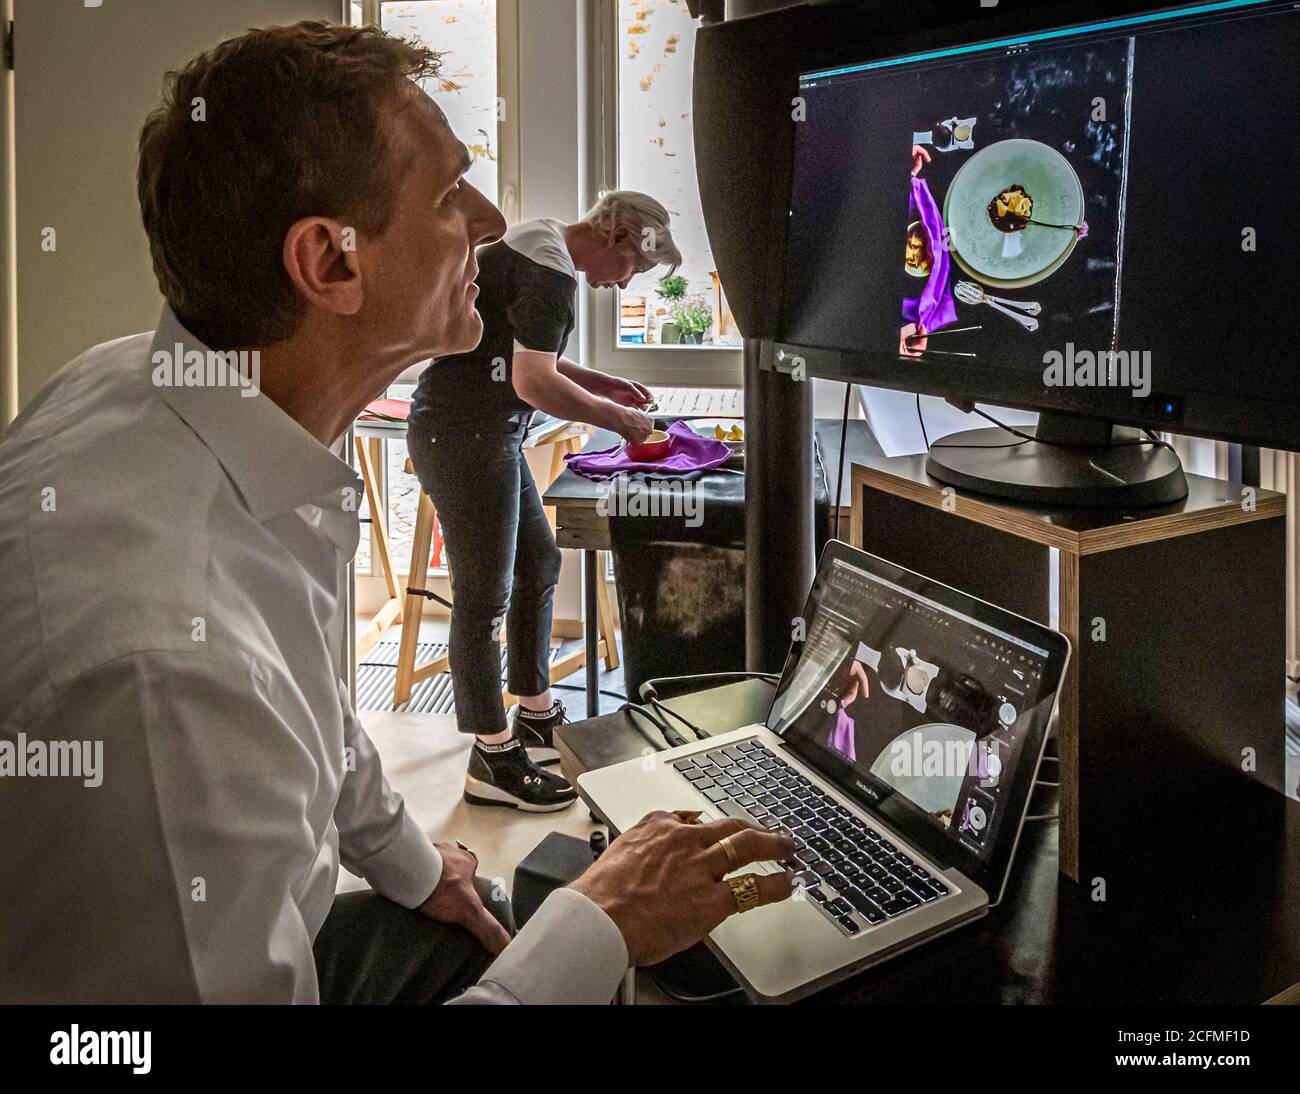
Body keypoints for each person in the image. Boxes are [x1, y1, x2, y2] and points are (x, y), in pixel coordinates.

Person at [0, 21, 795, 1004]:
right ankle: (501, 749)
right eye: (448, 190)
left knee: (505, 907)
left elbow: (318, 714)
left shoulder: (136, 382)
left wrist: (416, 863)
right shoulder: (165, 675)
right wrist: (600, 923)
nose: (490, 220)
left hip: (254, 921)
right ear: (329, 262)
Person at [406, 194, 681, 812]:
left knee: (539, 563)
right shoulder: (551, 268)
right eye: (634, 264)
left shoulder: (539, 241)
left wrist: (601, 383)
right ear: (615, 234)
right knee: (483, 596)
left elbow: (522, 356)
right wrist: (622, 420)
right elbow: (532, 381)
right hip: (466, 436)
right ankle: (492, 756)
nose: (627, 280)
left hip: (474, 432)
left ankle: (533, 709)